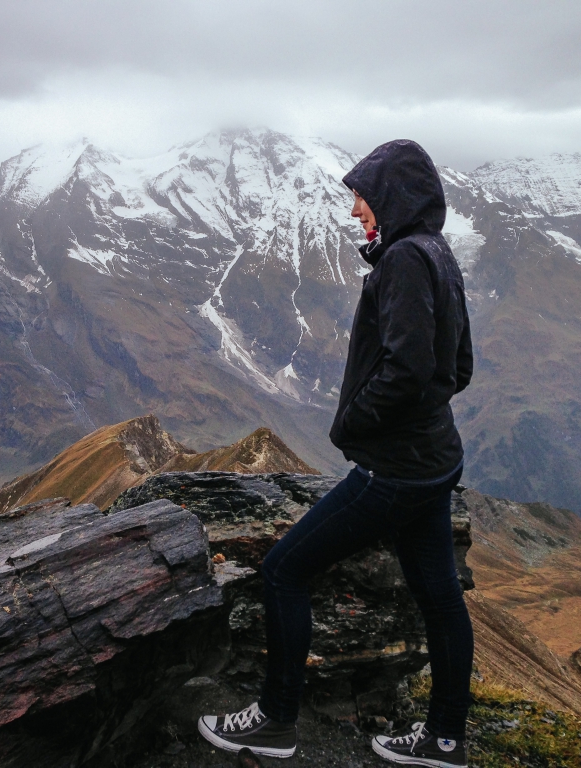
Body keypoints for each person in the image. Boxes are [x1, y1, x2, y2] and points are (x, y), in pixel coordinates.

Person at [197, 139, 475, 767]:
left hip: (394, 471)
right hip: (434, 462)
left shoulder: (404, 259)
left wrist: (356, 420)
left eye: (362, 197)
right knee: (439, 597)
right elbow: (459, 367)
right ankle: (445, 740)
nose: (355, 211)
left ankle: (274, 720)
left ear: (391, 197)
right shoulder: (438, 253)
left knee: (284, 570)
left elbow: (408, 367)